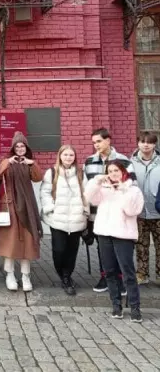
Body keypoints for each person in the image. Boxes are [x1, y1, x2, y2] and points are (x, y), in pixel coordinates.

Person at [85, 161, 144, 322]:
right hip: (104, 234)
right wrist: (96, 181)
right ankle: (116, 305)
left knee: (127, 272)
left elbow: (132, 211)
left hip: (123, 235)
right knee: (110, 272)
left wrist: (124, 190)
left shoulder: (133, 189)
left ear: (123, 171)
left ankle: (135, 307)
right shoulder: (104, 189)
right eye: (110, 171)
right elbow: (89, 197)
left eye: (116, 170)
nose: (113, 174)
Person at [83, 128, 136, 293]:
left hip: (119, 214)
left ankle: (121, 279)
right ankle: (105, 277)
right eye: (94, 142)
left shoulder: (123, 160)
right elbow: (86, 187)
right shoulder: (89, 161)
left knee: (119, 247)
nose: (96, 145)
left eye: (99, 141)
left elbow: (132, 184)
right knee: (102, 248)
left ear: (108, 140)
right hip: (97, 213)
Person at [0, 132, 43, 292]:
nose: (20, 149)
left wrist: (32, 163)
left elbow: (38, 177)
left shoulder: (29, 163)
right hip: (10, 205)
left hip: (27, 206)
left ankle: (26, 275)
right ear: (13, 148)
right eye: (17, 146)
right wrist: (7, 162)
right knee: (11, 240)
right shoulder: (7, 161)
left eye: (22, 146)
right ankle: (10, 274)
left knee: (28, 239)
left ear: (26, 148)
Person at [39, 145, 89, 295]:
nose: (68, 157)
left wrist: (85, 211)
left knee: (72, 251)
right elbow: (45, 192)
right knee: (59, 250)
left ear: (75, 157)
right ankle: (62, 273)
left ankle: (67, 276)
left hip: (76, 219)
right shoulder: (52, 172)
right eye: (65, 154)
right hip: (58, 219)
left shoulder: (80, 173)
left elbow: (86, 194)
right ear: (60, 156)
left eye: (71, 155)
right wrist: (51, 208)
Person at [131, 132, 160, 285]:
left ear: (155, 144)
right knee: (141, 246)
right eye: (142, 141)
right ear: (138, 143)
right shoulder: (131, 163)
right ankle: (142, 274)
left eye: (149, 142)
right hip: (139, 213)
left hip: (158, 212)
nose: (146, 145)